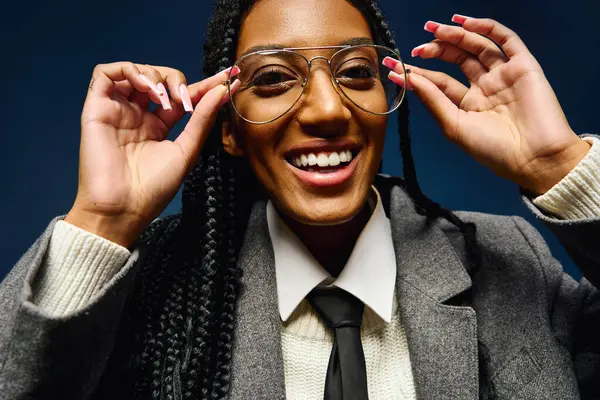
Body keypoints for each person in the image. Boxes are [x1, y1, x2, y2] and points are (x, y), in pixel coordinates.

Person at [1, 0, 599, 399]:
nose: (326, 110)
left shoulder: (506, 259)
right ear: (228, 127)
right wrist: (104, 221)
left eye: (357, 74)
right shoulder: (153, 289)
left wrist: (560, 166)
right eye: (272, 80)